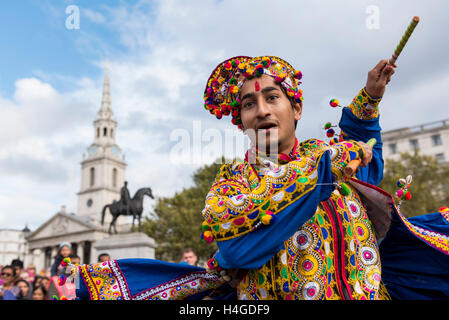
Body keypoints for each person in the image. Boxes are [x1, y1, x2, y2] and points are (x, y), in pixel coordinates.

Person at [74, 55, 449, 300]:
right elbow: (239, 249)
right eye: (249, 105)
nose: (261, 110)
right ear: (242, 124)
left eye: (273, 98)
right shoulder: (231, 187)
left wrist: (369, 97)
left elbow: (368, 161)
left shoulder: (329, 156)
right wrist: (325, 172)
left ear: (296, 108)